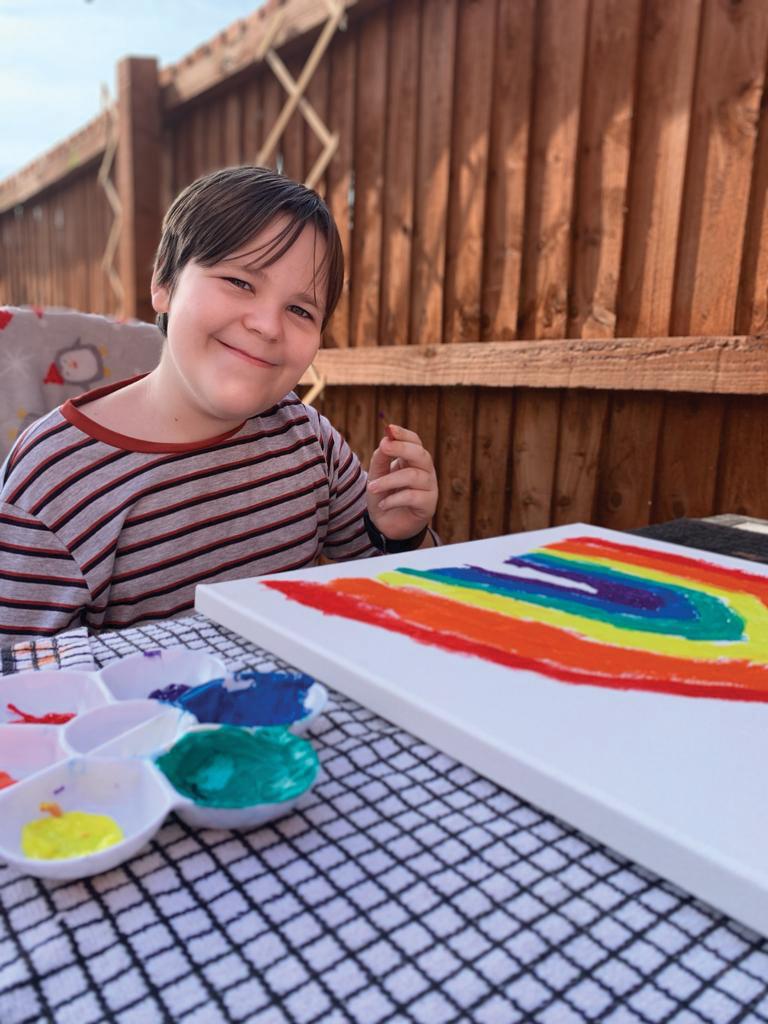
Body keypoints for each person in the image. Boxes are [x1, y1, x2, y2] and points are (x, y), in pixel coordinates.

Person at [0, 166, 438, 642]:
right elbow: (21, 687)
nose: (268, 325)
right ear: (164, 285)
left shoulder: (308, 439)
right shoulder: (56, 480)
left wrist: (401, 535)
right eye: (240, 282)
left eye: (300, 310)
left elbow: (392, 601)